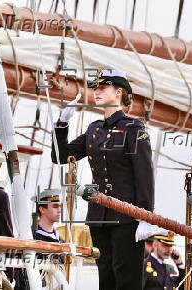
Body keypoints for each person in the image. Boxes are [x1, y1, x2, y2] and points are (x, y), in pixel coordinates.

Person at [51, 69, 154, 290]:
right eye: (95, 88)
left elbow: (144, 176)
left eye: (102, 88)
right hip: (99, 216)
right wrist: (62, 125)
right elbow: (61, 157)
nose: (96, 92)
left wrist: (145, 216)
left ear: (118, 92)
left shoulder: (133, 128)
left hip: (127, 217)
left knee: (126, 278)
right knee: (105, 276)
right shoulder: (94, 129)